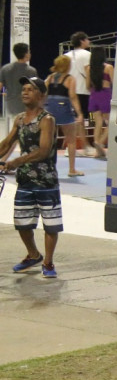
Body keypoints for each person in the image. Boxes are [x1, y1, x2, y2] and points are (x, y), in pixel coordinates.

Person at [1, 77, 62, 278]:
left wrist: (17, 162)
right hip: (25, 181)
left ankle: (49, 262)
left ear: (41, 95)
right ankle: (33, 254)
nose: (25, 92)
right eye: (24, 89)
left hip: (46, 181)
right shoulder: (19, 119)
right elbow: (6, 144)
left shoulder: (47, 119)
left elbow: (44, 150)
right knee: (22, 223)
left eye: (31, 89)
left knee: (50, 225)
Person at [44, 56, 83, 177]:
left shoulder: (50, 78)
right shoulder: (70, 79)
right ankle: (72, 169)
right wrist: (79, 113)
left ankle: (48, 168)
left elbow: (44, 92)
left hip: (50, 108)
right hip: (64, 109)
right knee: (71, 140)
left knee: (50, 140)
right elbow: (73, 96)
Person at [63, 32, 95, 156]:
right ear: (82, 41)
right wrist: (90, 87)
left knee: (72, 120)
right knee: (80, 119)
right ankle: (85, 146)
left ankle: (70, 146)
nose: (89, 41)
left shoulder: (66, 55)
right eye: (87, 39)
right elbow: (88, 72)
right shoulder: (87, 55)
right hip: (82, 91)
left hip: (68, 91)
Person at [84, 48, 112, 158]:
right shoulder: (108, 67)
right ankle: (100, 142)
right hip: (105, 94)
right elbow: (114, 83)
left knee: (98, 122)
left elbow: (87, 86)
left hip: (94, 95)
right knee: (111, 123)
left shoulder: (89, 69)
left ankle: (96, 144)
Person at [1, 43, 38, 119]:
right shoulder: (31, 71)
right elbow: (36, 89)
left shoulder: (5, 69)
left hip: (10, 106)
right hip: (26, 106)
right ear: (26, 54)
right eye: (29, 52)